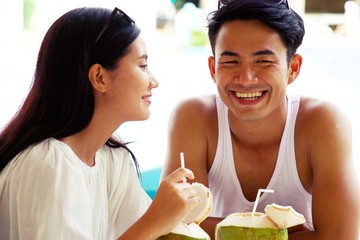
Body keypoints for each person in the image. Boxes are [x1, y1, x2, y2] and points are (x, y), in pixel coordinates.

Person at [161, 0, 360, 239]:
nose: (246, 79)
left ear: (293, 68)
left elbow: (341, 236)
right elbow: (176, 226)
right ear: (213, 69)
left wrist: (215, 229)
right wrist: (291, 231)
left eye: (263, 61)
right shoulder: (193, 118)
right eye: (231, 61)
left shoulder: (324, 124)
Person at [0, 7, 201, 240]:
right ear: (99, 77)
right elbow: (146, 229)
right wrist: (153, 222)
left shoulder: (113, 158)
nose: (154, 81)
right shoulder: (48, 164)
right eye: (142, 65)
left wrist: (173, 213)